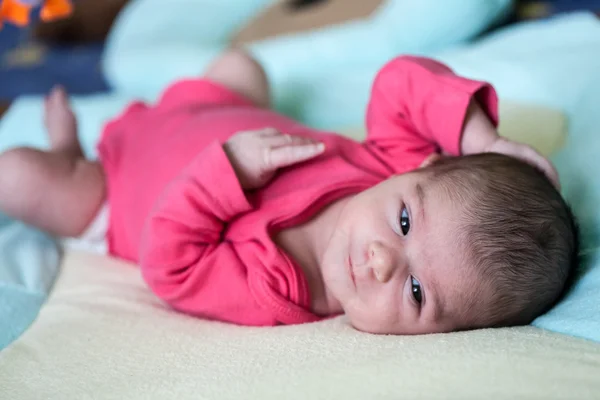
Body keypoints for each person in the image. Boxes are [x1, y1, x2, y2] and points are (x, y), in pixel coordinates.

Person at [0, 50, 578, 334]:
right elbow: (401, 81)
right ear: (424, 165)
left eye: (419, 292)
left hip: (114, 190)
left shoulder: (279, 290)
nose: (381, 262)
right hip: (218, 107)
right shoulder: (385, 165)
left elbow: (169, 264)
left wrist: (225, 171)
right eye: (404, 222)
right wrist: (482, 135)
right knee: (241, 62)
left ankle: (66, 154)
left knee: (18, 177)